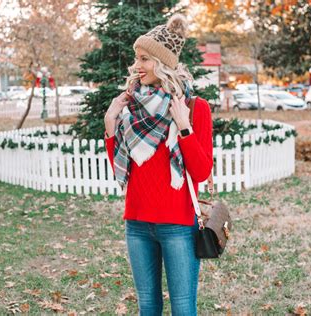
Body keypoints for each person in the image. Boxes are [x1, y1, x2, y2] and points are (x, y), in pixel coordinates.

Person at [103, 13, 213, 315]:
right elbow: (121, 169)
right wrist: (110, 123)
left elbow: (202, 172)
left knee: (182, 307)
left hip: (177, 225)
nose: (137, 66)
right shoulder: (131, 107)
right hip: (137, 223)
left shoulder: (193, 107)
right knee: (147, 305)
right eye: (136, 58)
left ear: (162, 63)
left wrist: (183, 127)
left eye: (145, 59)